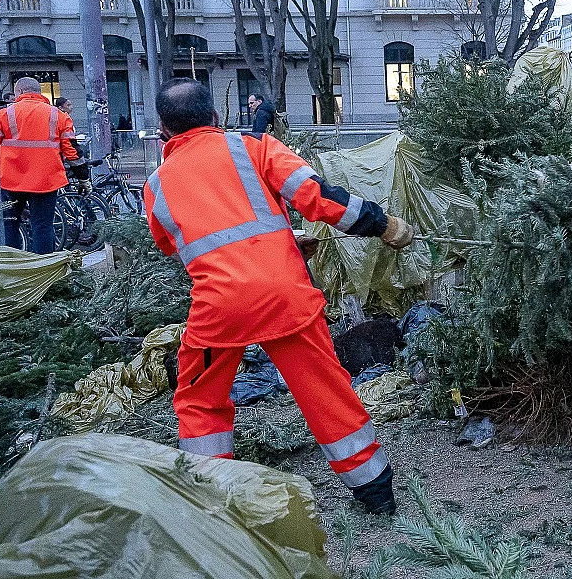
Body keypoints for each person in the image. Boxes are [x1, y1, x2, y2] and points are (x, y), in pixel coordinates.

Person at [143, 78, 414, 514]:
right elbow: (318, 195)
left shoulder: (155, 184)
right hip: (286, 295)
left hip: (218, 307)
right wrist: (384, 226)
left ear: (164, 131)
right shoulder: (252, 146)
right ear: (215, 117)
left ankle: (212, 498)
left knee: (199, 399)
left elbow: (179, 245)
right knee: (325, 390)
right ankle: (375, 489)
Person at [0, 78, 89, 253]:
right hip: (46, 181)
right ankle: (44, 273)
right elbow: (72, 151)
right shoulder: (58, 116)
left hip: (11, 180)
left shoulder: (2, 114)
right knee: (43, 227)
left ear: (18, 93)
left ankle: (11, 269)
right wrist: (83, 178)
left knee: (9, 224)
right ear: (39, 93)